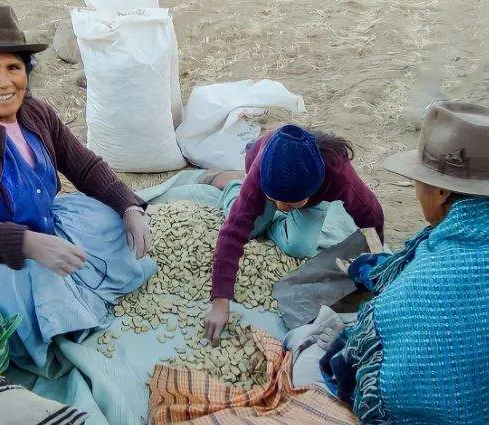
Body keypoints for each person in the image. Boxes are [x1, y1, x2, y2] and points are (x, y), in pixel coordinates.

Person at [0, 5, 156, 368]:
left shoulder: (35, 112)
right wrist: (25, 243)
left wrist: (128, 206)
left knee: (105, 218)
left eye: (14, 68)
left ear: (27, 72)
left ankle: (67, 288)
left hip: (37, 229)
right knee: (36, 272)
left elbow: (83, 165)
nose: (5, 82)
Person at [295, 101, 489, 424]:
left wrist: (343, 349)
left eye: (419, 181)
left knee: (308, 356)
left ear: (441, 191)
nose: (416, 191)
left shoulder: (422, 286)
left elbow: (352, 366)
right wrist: (370, 268)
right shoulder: (460, 245)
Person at [203, 124, 384, 344]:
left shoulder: (336, 175)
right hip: (262, 183)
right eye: (277, 200)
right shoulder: (262, 169)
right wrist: (220, 301)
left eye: (290, 202)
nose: (281, 207)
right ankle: (233, 185)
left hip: (303, 193)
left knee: (299, 247)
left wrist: (377, 258)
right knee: (249, 228)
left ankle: (271, 213)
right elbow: (232, 232)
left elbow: (371, 215)